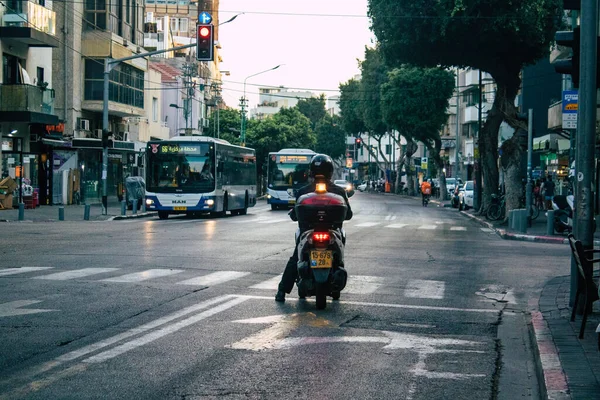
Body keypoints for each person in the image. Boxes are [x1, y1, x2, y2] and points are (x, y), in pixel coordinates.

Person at [275, 154, 353, 302]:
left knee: (295, 259)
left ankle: (281, 292)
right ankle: (335, 280)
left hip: (307, 233)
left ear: (311, 171)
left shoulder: (303, 191)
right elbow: (348, 215)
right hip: (333, 233)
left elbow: (294, 216)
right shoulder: (339, 191)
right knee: (338, 257)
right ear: (330, 171)